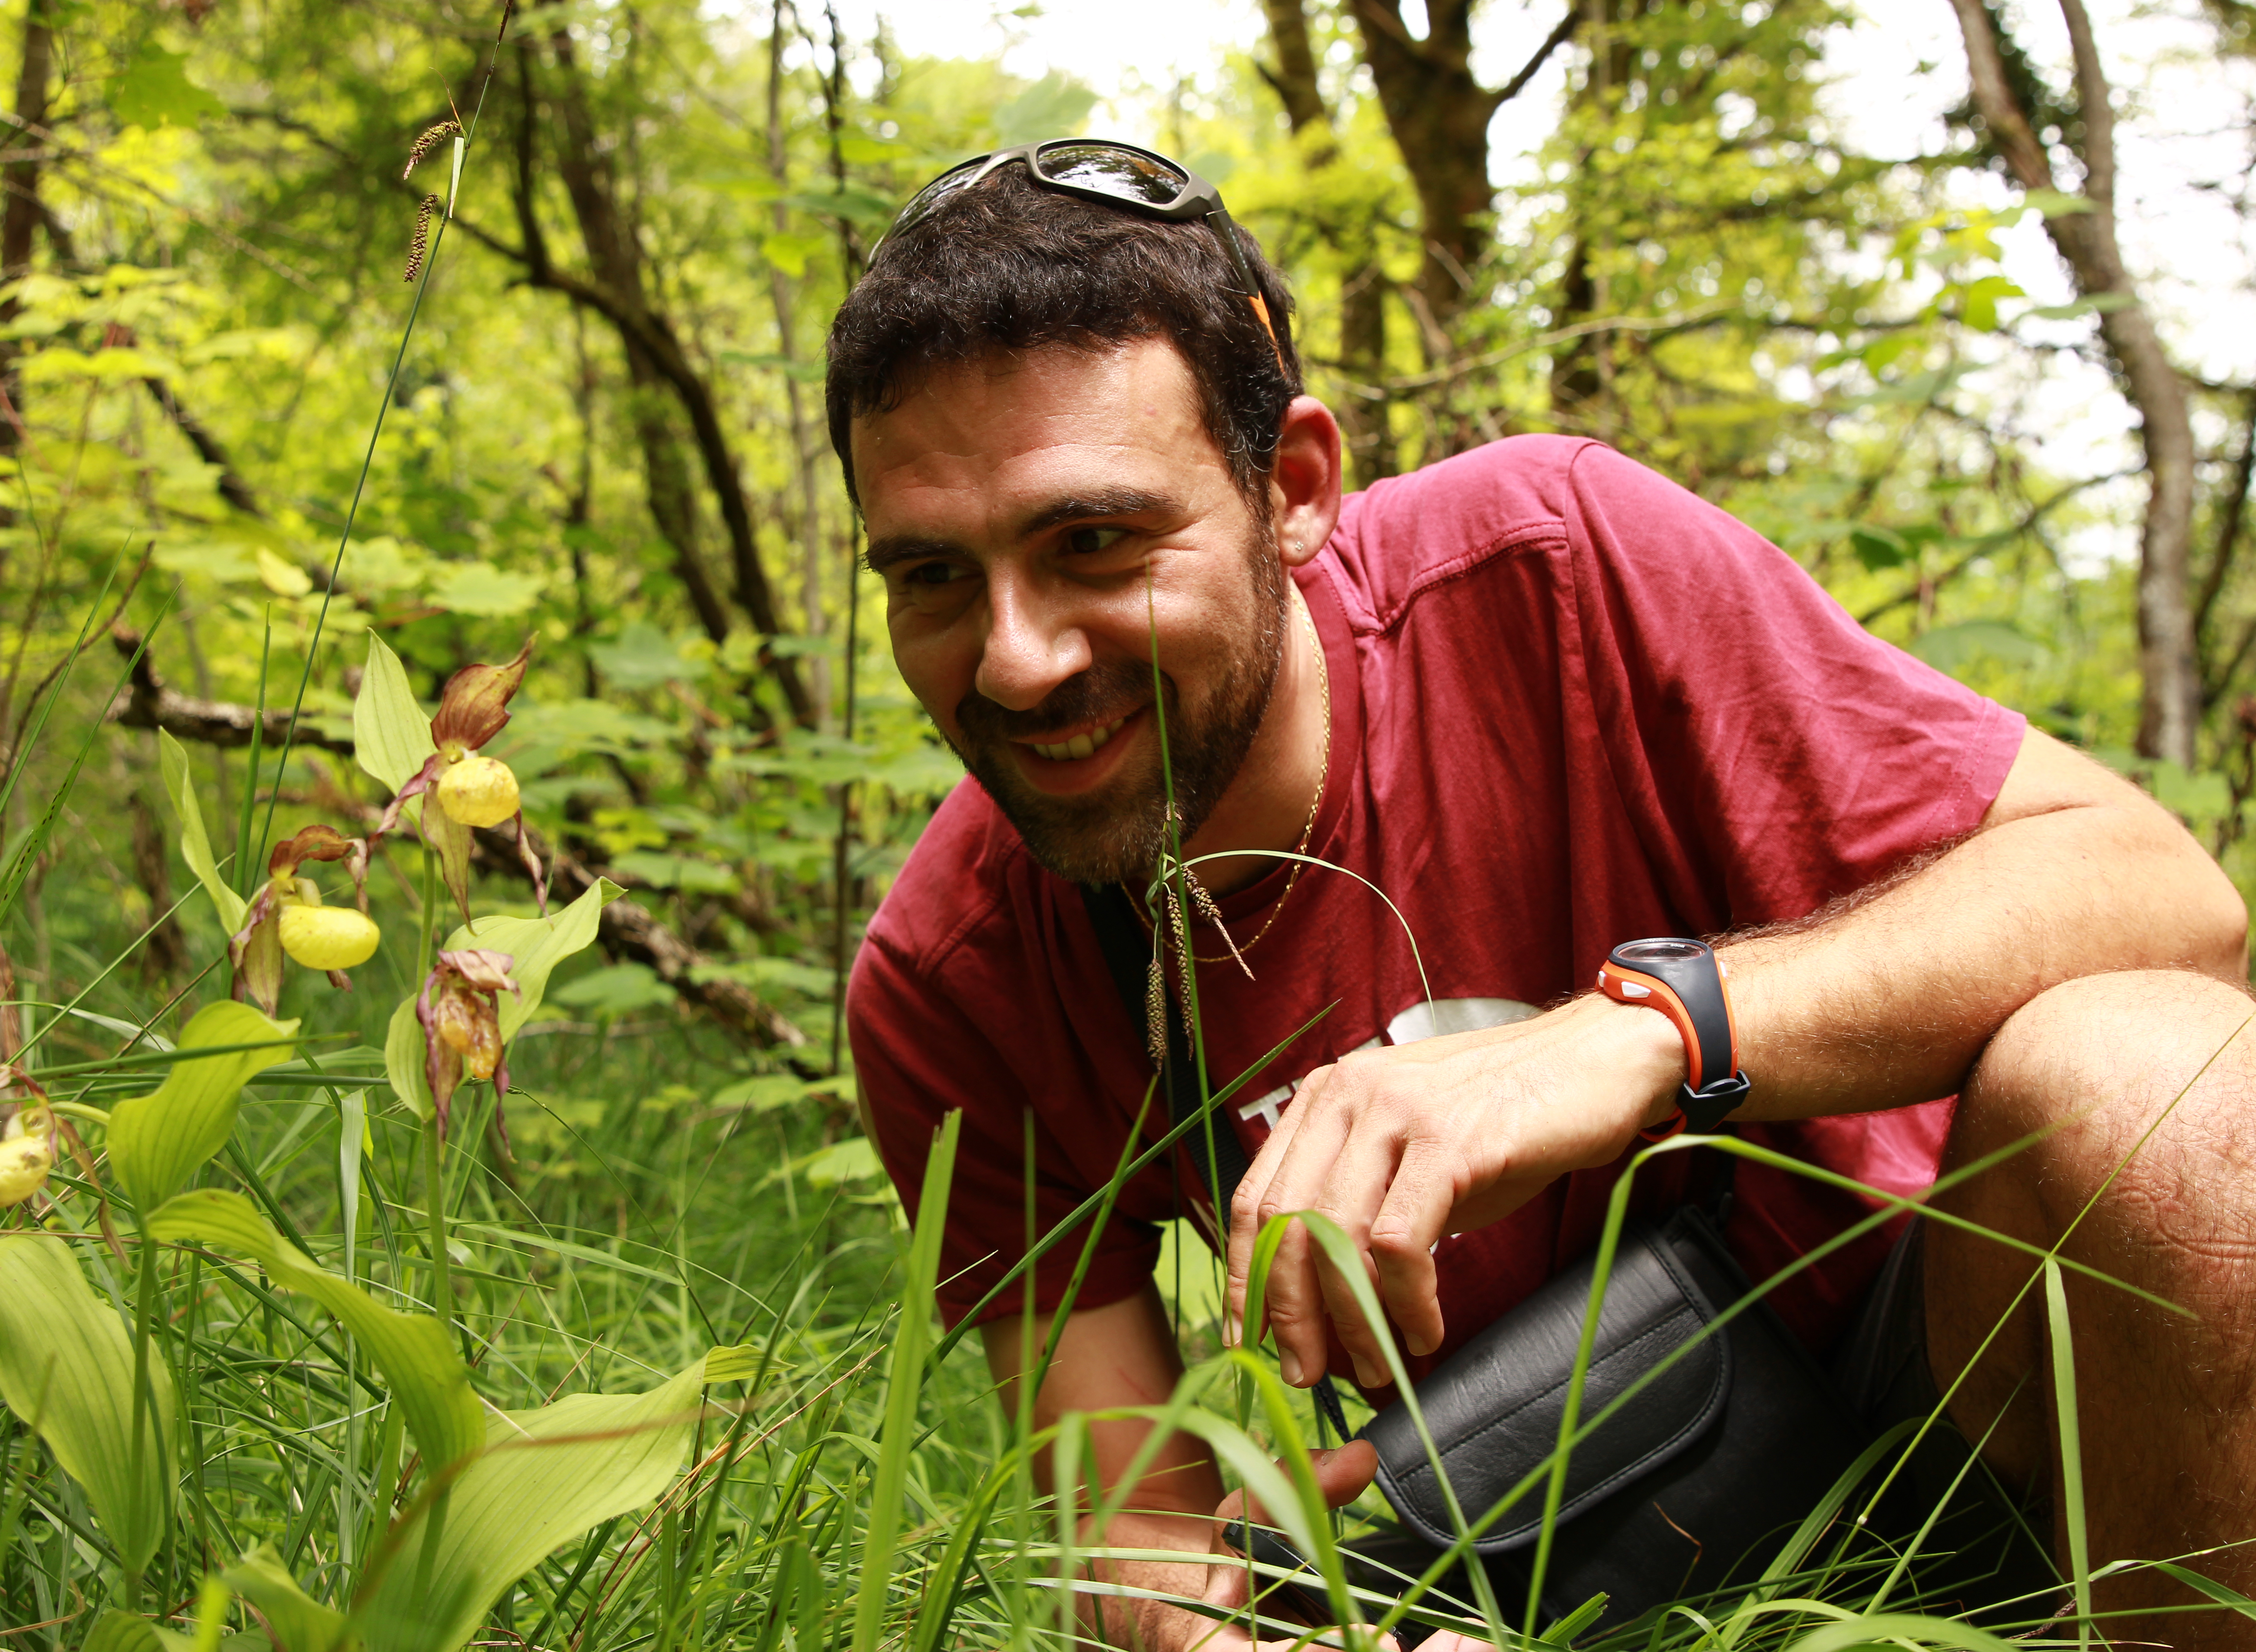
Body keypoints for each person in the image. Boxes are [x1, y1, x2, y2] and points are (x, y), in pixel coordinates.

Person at [827, 140, 2256, 1652]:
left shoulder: (1552, 563)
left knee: (2162, 1085)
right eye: (930, 579)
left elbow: (2166, 900)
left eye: (1094, 542)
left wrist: (1633, 1036)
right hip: (1546, 1552)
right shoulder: (946, 980)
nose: (1014, 661)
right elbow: (1133, 1520)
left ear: (1293, 488)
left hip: (1947, 1363)